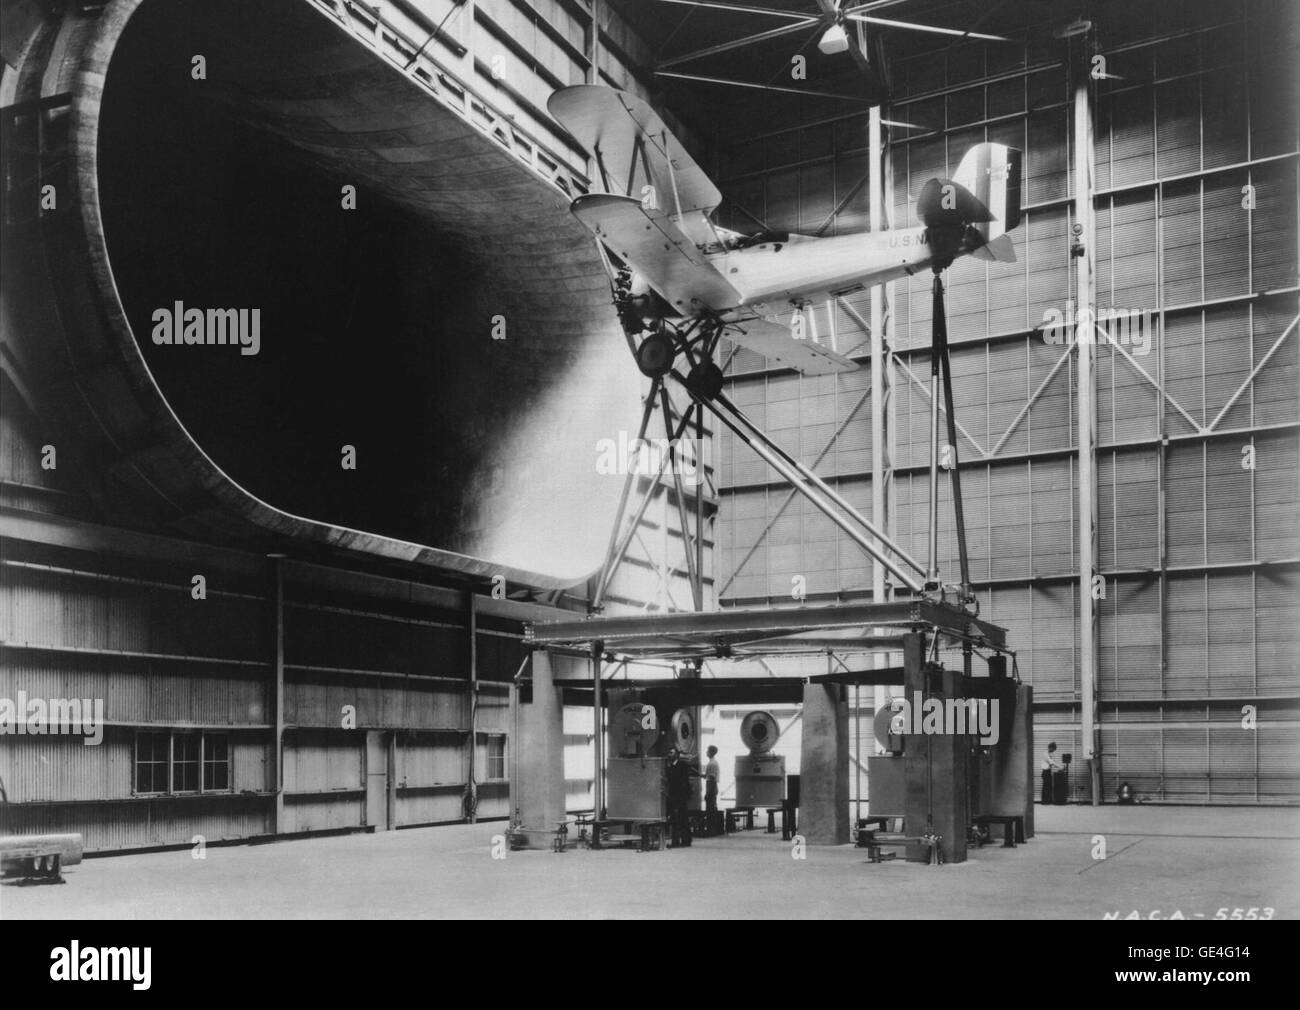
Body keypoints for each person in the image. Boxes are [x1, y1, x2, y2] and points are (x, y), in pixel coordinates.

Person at [664, 746, 699, 847]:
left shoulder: (681, 765)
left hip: (679, 796)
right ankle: (681, 841)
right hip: (675, 796)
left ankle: (683, 841)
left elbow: (681, 781)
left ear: (677, 755)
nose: (669, 754)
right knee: (678, 819)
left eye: (671, 752)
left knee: (680, 819)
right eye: (669, 753)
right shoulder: (670, 766)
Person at [704, 745, 721, 833]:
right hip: (712, 786)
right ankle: (712, 828)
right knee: (712, 808)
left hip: (711, 786)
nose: (706, 752)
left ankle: (711, 829)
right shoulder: (712, 762)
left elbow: (712, 778)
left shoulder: (712, 763)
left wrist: (707, 793)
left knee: (710, 809)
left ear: (711, 752)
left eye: (707, 750)